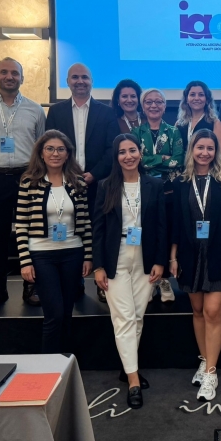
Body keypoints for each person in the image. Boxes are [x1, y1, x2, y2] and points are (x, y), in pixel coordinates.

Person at [92, 134, 167, 409]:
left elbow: (162, 226)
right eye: (122, 152)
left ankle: (128, 368)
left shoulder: (154, 184)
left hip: (146, 257)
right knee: (123, 317)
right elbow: (98, 228)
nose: (128, 156)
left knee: (136, 316)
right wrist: (98, 265)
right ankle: (134, 381)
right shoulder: (106, 186)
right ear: (116, 157)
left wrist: (160, 261)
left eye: (132, 150)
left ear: (140, 152)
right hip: (117, 257)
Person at [0, 57, 47, 310]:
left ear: (22, 78)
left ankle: (31, 287)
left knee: (32, 234)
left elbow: (40, 145)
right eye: (4, 72)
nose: (9, 77)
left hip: (27, 177)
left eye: (15, 73)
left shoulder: (35, 109)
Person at [170, 129, 221, 402]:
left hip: (219, 252)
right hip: (189, 255)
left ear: (216, 152)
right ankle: (204, 359)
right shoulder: (181, 181)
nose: (205, 153)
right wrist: (173, 257)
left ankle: (211, 372)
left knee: (212, 312)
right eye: (200, 147)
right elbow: (176, 223)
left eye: (210, 148)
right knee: (198, 311)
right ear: (192, 149)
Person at [46, 63, 120, 300]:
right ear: (67, 81)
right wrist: (66, 174)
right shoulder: (56, 112)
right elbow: (50, 147)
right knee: (72, 230)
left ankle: (101, 281)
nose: (80, 81)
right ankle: (74, 281)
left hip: (98, 184)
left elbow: (111, 149)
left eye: (85, 77)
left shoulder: (106, 113)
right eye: (75, 77)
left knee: (99, 231)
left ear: (92, 81)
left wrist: (94, 174)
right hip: (64, 184)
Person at [15, 131, 93, 354]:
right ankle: (49, 366)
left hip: (73, 253)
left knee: (67, 313)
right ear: (41, 153)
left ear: (68, 154)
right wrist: (25, 261)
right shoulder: (29, 182)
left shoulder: (78, 182)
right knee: (54, 314)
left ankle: (65, 363)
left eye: (60, 149)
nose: (55, 153)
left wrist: (88, 256)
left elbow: (85, 221)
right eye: (50, 149)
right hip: (41, 255)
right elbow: (21, 223)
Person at [132, 89, 185, 302]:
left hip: (169, 192)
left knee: (166, 233)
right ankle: (149, 280)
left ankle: (164, 280)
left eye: (158, 102)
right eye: (149, 102)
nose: (153, 105)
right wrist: (162, 158)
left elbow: (178, 160)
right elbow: (137, 160)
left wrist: (149, 160)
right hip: (145, 192)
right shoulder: (136, 132)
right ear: (143, 106)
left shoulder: (174, 131)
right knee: (149, 234)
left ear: (164, 106)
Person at [175, 81, 221, 153]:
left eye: (201, 95)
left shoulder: (215, 123)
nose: (196, 98)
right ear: (186, 99)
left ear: (207, 100)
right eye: (192, 95)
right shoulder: (179, 124)